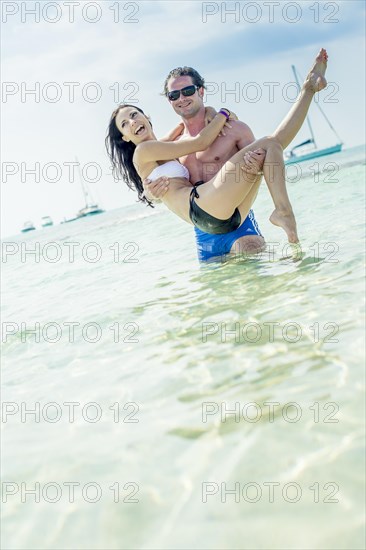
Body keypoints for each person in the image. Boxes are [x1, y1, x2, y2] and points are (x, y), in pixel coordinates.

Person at [106, 50, 328, 260]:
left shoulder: (224, 131)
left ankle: (308, 89)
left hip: (237, 219)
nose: (181, 98)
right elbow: (195, 144)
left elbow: (269, 161)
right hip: (203, 225)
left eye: (188, 91)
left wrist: (219, 114)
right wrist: (149, 193)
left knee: (271, 145)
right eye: (174, 95)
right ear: (169, 101)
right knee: (217, 294)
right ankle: (283, 211)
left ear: (201, 91)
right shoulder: (163, 147)